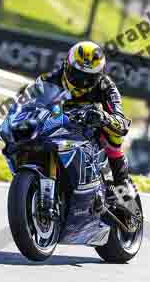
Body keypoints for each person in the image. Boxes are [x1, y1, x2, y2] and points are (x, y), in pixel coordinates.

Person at [38, 41, 134, 196]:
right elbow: (29, 104)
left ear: (99, 75)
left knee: (114, 136)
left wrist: (103, 117)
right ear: (66, 66)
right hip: (59, 126)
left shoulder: (106, 86)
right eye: (77, 75)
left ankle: (122, 189)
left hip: (89, 130)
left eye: (89, 78)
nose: (81, 82)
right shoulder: (49, 80)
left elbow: (122, 124)